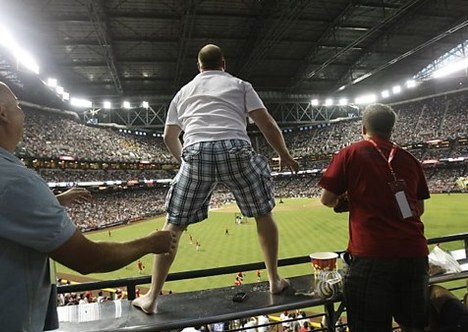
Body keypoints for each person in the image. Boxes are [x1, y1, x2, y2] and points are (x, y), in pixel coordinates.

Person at [0, 77, 177, 332]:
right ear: (1, 112)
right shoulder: (11, 181)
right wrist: (150, 242)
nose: (22, 115)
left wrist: (54, 201)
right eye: (18, 107)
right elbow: (88, 259)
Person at [132, 43, 299, 314]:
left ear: (199, 66)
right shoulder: (241, 85)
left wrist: (184, 161)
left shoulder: (183, 92)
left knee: (172, 226)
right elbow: (266, 123)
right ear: (224, 63)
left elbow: (168, 137)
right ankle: (274, 280)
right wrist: (285, 155)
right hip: (235, 149)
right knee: (263, 215)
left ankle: (151, 296)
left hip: (196, 152)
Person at [319, 103, 430, 332]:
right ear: (391, 129)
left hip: (372, 256)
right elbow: (417, 207)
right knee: (414, 326)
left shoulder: (350, 153)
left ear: (363, 128)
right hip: (414, 255)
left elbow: (326, 199)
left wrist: (349, 199)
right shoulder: (409, 158)